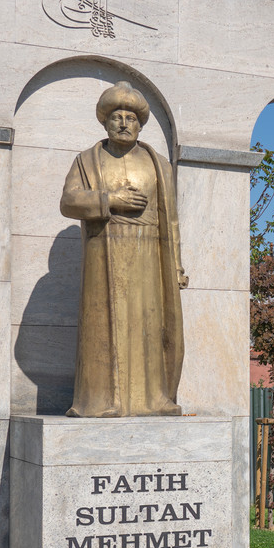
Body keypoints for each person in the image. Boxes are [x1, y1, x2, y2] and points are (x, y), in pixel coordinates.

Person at [60, 81, 185, 417]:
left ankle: (155, 397)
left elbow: (170, 219)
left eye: (131, 117)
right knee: (106, 324)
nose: (124, 122)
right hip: (106, 251)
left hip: (149, 254)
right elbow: (68, 201)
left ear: (140, 123)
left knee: (150, 325)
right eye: (117, 116)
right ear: (105, 121)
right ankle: (101, 400)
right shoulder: (87, 160)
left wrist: (175, 265)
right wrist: (109, 200)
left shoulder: (158, 163)